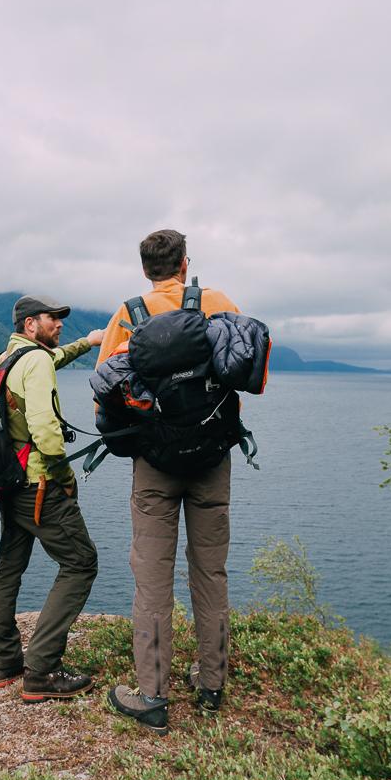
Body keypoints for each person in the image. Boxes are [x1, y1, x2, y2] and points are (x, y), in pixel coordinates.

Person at [101, 230, 242, 735]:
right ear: (185, 263)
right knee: (211, 573)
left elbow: (104, 397)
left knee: (152, 578)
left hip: (154, 465)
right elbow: (251, 373)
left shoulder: (128, 313)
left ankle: (153, 697)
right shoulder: (217, 303)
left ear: (146, 270)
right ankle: (211, 683)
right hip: (211, 460)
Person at [0, 294, 105, 702]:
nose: (59, 324)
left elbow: (51, 360)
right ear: (30, 324)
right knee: (80, 562)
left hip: (10, 483)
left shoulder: (9, 358)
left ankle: (5, 663)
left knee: (10, 566)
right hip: (39, 484)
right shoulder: (34, 361)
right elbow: (44, 428)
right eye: (52, 318)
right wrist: (64, 474)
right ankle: (42, 670)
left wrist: (86, 344)